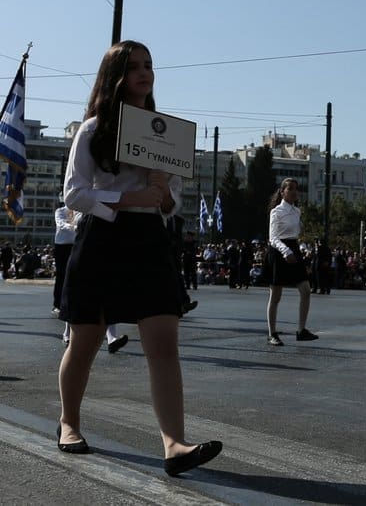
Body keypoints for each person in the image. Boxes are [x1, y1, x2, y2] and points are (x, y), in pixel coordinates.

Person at [56, 40, 221, 476]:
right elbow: (72, 193)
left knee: (164, 342)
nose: (144, 73)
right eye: (133, 67)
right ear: (116, 77)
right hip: (102, 239)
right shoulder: (93, 129)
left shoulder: (163, 132)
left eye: (148, 65)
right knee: (85, 339)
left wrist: (162, 190)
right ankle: (69, 422)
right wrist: (126, 198)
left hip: (149, 239)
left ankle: (174, 444)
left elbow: (172, 206)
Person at [266, 178, 318, 346]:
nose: (295, 192)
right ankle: (272, 334)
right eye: (291, 189)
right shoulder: (276, 212)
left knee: (306, 290)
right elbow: (273, 237)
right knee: (276, 295)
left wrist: (303, 246)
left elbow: (295, 232)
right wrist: (286, 251)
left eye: (296, 189)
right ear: (282, 192)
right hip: (279, 250)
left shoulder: (297, 211)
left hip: (293, 248)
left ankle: (301, 330)